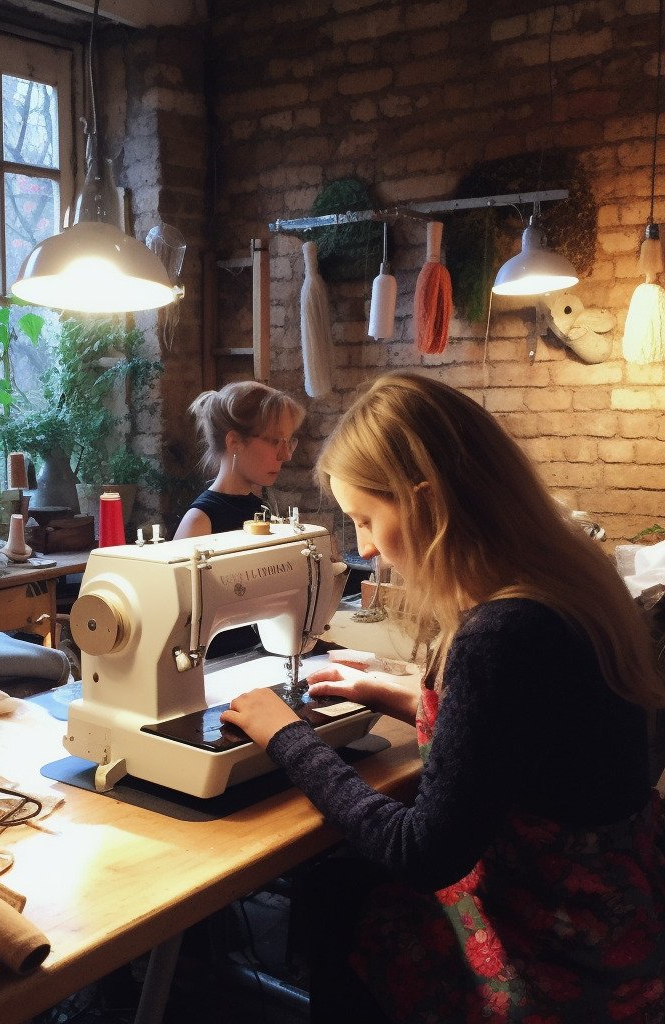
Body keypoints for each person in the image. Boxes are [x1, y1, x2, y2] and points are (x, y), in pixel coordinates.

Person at [221, 371, 665, 1023]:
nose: (365, 545)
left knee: (339, 894)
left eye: (367, 519)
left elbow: (422, 851)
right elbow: (526, 740)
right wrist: (398, 694)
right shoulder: (570, 579)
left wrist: (286, 735)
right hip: (624, 908)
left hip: (558, 955)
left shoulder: (501, 633)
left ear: (427, 502)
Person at [174, 380, 305, 539]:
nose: (285, 456)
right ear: (234, 442)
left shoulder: (261, 509)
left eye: (288, 442)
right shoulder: (199, 522)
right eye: (275, 441)